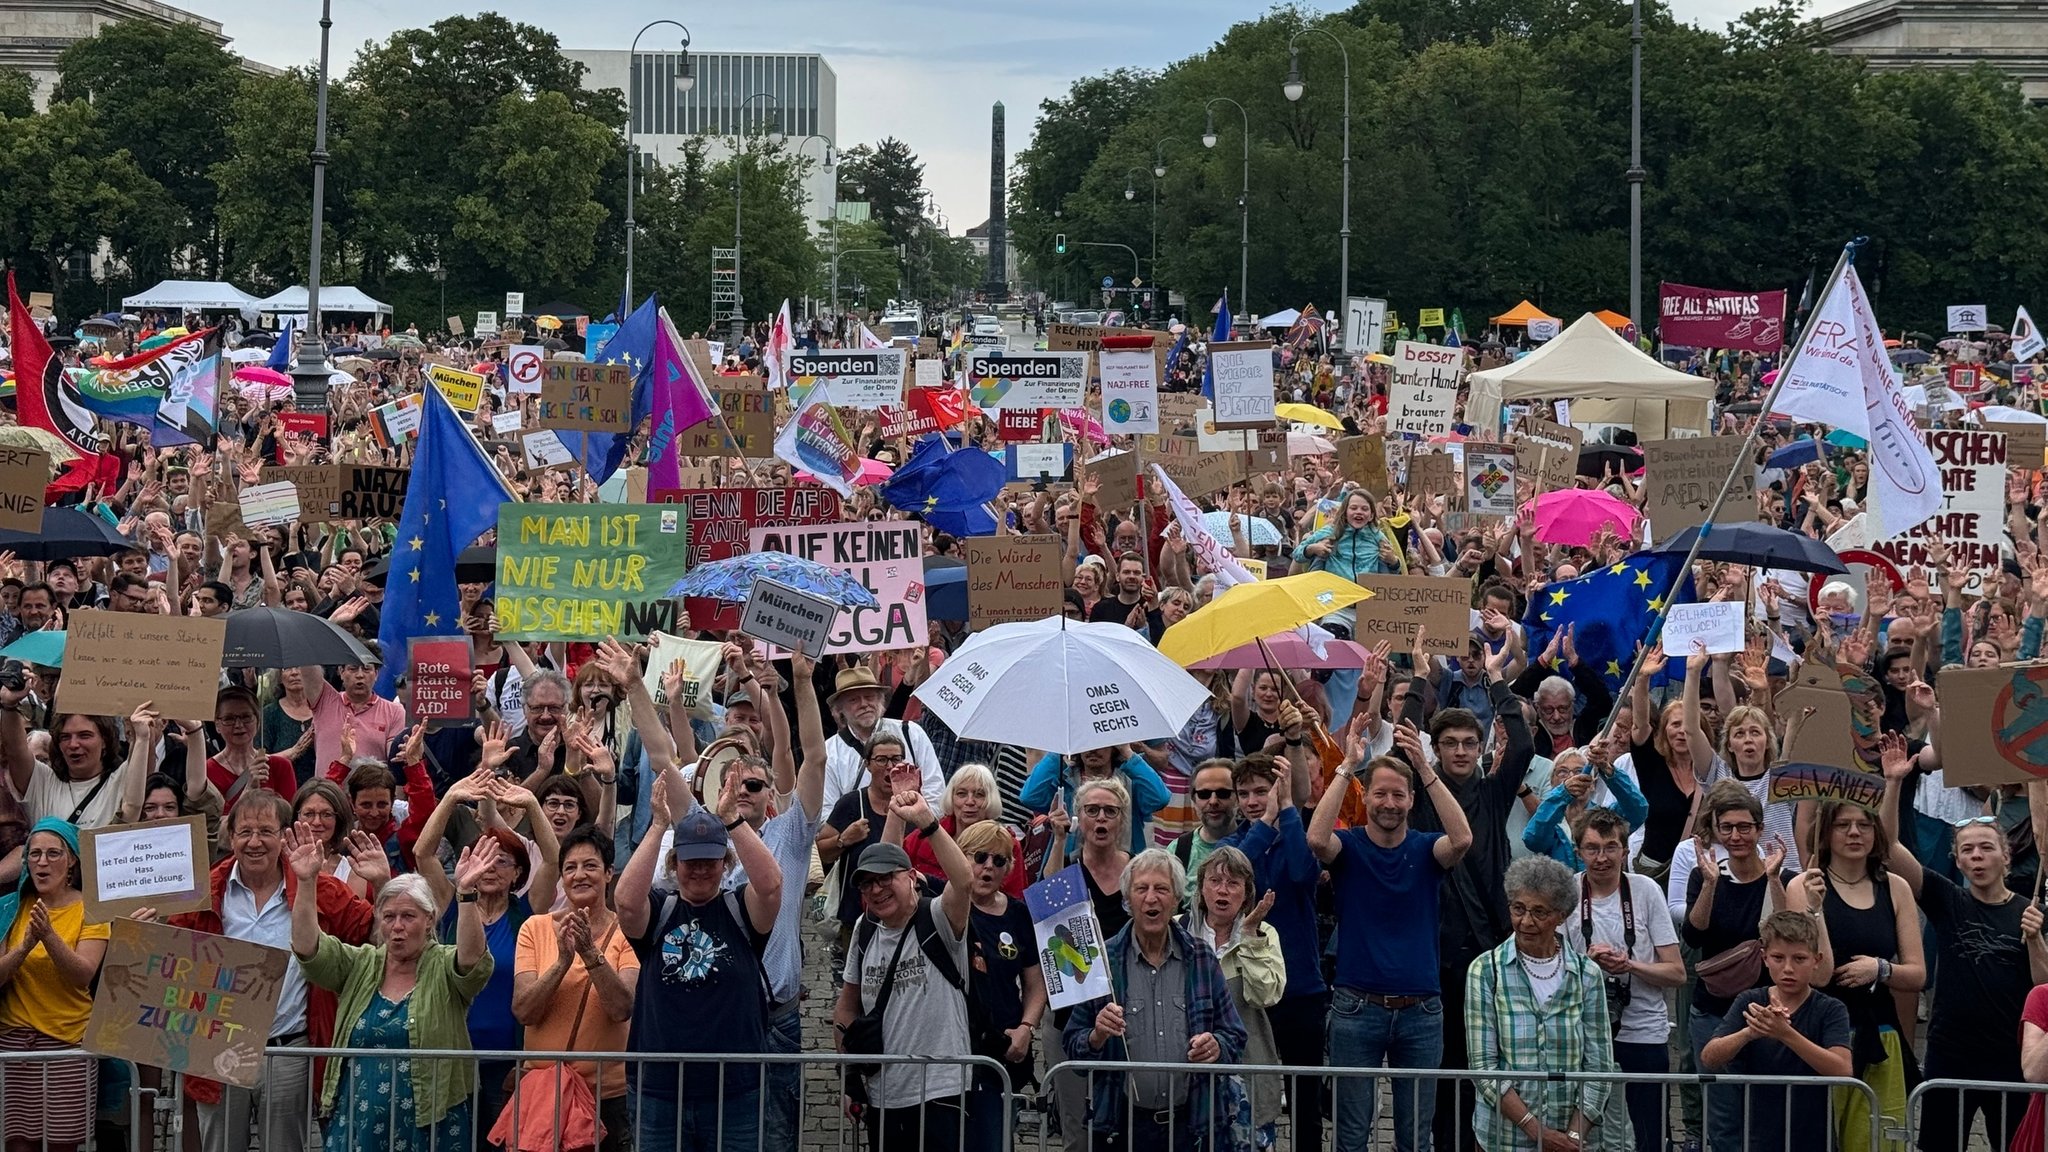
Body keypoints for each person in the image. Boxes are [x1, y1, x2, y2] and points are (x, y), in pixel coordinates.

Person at [161, 789, 380, 1152]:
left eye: (265, 831)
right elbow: (168, 956)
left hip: (288, 1048)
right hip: (218, 1045)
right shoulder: (201, 891)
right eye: (245, 832)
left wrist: (383, 882)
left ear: (284, 836)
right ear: (230, 838)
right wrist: (145, 929)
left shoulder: (316, 886)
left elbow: (371, 933)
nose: (254, 842)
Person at [1879, 736, 2048, 1152]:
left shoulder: (2032, 912)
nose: (1977, 856)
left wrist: (2035, 941)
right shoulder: (1946, 899)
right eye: (1967, 850)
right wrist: (1894, 784)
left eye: (1987, 848)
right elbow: (1889, 849)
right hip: (1949, 1056)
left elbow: (2043, 987)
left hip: (2008, 1058)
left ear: (2005, 858)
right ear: (1956, 860)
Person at [1310, 721, 1473, 1152]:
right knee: (1350, 1137)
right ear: (1368, 798)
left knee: (1415, 1139)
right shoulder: (1350, 847)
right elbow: (1316, 838)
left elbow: (1462, 839)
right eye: (1380, 793)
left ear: (1410, 800)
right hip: (1355, 1008)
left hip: (1421, 1010)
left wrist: (1425, 768)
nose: (1388, 803)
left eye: (1398, 794)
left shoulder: (1425, 847)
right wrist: (1347, 765)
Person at [290, 823, 497, 1152]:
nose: (397, 927)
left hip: (431, 1122)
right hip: (358, 1122)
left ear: (429, 920)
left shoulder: (442, 965)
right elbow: (308, 949)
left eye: (408, 917)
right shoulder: (361, 963)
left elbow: (472, 962)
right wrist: (305, 881)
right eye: (388, 917)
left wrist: (467, 895)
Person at [618, 770, 781, 1152]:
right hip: (659, 1090)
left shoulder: (740, 909)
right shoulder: (660, 909)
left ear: (725, 864)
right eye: (691, 861)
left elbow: (772, 886)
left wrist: (732, 821)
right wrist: (658, 826)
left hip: (736, 1089)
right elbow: (625, 902)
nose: (702, 870)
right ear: (674, 865)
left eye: (711, 860)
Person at [1065, 849, 1249, 1152]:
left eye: (1161, 889)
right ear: (1128, 900)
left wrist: (1217, 1045)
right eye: (1142, 889)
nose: (1152, 898)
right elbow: (1073, 1046)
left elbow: (1235, 1037)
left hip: (1192, 1127)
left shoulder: (1202, 958)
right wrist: (1096, 1035)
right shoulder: (1102, 961)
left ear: (1176, 898)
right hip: (1121, 1128)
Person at [834, 787, 976, 1152]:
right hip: (885, 1094)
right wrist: (850, 1078)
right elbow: (847, 1007)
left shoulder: (938, 917)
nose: (877, 889)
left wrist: (927, 822)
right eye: (867, 883)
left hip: (943, 1089)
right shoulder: (865, 933)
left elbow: (963, 881)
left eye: (885, 878)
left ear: (911, 876)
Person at [1784, 799, 1926, 1152]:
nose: (1853, 833)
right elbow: (1816, 974)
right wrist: (1815, 910)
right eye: (1842, 824)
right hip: (1820, 1035)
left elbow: (1917, 974)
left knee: (1876, 1142)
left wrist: (1880, 969)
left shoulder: (1895, 887)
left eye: (1863, 824)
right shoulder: (1803, 885)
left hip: (1880, 1034)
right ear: (1825, 832)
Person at [1465, 855, 1616, 1151]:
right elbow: (1483, 1067)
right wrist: (1538, 1133)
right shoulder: (1485, 970)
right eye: (1518, 909)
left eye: (1539, 912)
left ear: (1561, 915)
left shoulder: (1587, 974)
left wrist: (1572, 1138)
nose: (1526, 921)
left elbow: (1600, 1066)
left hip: (1574, 1139)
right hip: (1503, 1140)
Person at [1564, 806, 1686, 1152]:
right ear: (1579, 852)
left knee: (1649, 1134)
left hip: (1643, 1030)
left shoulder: (1645, 890)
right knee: (1584, 1135)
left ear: (1625, 850)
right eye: (1592, 849)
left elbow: (1676, 973)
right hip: (1584, 1032)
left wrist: (1630, 966)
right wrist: (1588, 965)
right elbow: (1554, 968)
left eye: (1610, 847)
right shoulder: (1569, 891)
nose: (1601, 858)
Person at [1683, 779, 1794, 1152]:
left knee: (1770, 1112)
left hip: (1770, 1010)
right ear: (1715, 831)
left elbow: (1788, 937)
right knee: (1724, 1114)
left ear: (1760, 829)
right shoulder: (1705, 875)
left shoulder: (1782, 876)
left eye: (1744, 827)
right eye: (1726, 827)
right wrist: (1712, 885)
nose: (1736, 836)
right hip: (1714, 1010)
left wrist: (1774, 880)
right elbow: (1694, 937)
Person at [511, 826, 638, 1152]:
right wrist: (561, 962)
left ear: (609, 873)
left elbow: (621, 1008)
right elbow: (524, 1011)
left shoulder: (629, 932)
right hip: (544, 1094)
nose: (580, 875)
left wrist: (590, 954)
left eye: (591, 866)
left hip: (605, 1096)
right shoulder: (534, 928)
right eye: (570, 867)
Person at [1231, 752, 1329, 1149]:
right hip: (1251, 990)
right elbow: (1234, 871)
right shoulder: (1236, 842)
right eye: (1245, 793)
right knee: (1249, 1095)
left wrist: (1287, 808)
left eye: (1262, 790)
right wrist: (1267, 822)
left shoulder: (1294, 834)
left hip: (1301, 986)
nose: (1254, 800)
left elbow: (1306, 874)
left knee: (1306, 1099)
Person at [1700, 911, 1853, 1152]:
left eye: (1799, 959)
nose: (1788, 968)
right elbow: (1709, 1057)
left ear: (1817, 960)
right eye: (1778, 958)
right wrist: (1749, 1033)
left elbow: (1842, 1069)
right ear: (1764, 958)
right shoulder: (1749, 1000)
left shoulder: (1831, 1008)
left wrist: (1785, 1034)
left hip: (1814, 1137)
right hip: (1758, 1136)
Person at [0, 818, 108, 1152]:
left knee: (62, 1144)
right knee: (17, 1144)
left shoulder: (92, 910)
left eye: (52, 853)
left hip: (67, 1044)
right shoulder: (10, 908)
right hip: (13, 1043)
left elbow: (83, 974)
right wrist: (25, 946)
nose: (42, 863)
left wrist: (48, 936)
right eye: (34, 855)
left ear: (72, 859)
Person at [956, 818, 1047, 1150]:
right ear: (961, 857)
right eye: (979, 857)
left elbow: (1035, 983)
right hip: (952, 1047)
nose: (988, 867)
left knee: (994, 1141)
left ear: (1009, 867)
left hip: (1001, 1050)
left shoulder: (1018, 915)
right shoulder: (941, 904)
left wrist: (1026, 1027)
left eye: (998, 860)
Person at [1186, 845, 1285, 1146]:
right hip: (1187, 1074)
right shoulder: (1177, 929)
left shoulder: (1264, 933)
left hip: (1248, 1071)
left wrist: (1251, 938)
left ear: (1247, 892)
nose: (1223, 891)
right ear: (1201, 887)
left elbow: (1267, 995)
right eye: (1215, 881)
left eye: (1233, 883)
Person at [906, 762, 1026, 898]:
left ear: (991, 800)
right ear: (950, 798)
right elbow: (895, 869)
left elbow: (1015, 898)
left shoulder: (1007, 843)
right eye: (961, 794)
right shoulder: (927, 833)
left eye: (979, 795)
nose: (970, 801)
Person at [1168, 759, 1241, 894]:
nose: (1213, 801)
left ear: (1238, 797)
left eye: (1223, 793)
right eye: (1204, 794)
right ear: (1194, 800)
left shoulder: (1256, 841)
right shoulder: (1177, 850)